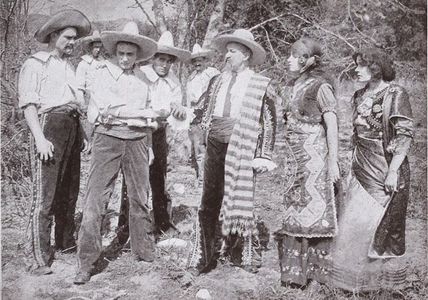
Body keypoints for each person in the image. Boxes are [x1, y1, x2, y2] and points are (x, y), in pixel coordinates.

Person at [187, 29, 277, 274]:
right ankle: (203, 258)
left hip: (243, 143)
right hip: (215, 141)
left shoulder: (259, 84)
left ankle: (239, 254)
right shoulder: (217, 81)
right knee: (209, 200)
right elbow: (202, 113)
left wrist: (263, 154)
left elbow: (268, 120)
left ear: (246, 55)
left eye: (233, 51)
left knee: (239, 198)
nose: (227, 56)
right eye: (226, 51)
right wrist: (198, 139)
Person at [74, 21, 159, 284]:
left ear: (137, 55)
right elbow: (105, 111)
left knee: (139, 197)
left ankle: (144, 253)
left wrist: (149, 139)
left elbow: (152, 116)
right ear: (114, 52)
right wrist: (137, 114)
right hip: (107, 139)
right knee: (96, 200)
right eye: (121, 53)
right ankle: (87, 261)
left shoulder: (145, 78)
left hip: (137, 141)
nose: (124, 58)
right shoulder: (101, 73)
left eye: (130, 54)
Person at [330, 48, 413, 292]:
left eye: (363, 65)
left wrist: (393, 171)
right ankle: (352, 284)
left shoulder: (395, 94)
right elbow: (355, 136)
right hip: (360, 165)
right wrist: (348, 166)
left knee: (380, 222)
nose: (357, 69)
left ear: (377, 67)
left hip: (385, 165)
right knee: (354, 221)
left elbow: (404, 135)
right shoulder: (358, 96)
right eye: (357, 64)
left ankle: (379, 287)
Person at [18, 9, 91, 276]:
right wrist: (40, 138)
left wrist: (82, 134)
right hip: (49, 127)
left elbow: (72, 104)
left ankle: (64, 242)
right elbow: (28, 104)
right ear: (53, 35)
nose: (72, 43)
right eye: (68, 37)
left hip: (71, 126)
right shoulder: (36, 64)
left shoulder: (69, 67)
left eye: (75, 39)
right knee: (45, 194)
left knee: (69, 191)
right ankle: (38, 256)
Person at [274, 38, 340, 289]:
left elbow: (331, 125)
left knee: (315, 208)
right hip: (293, 157)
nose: (289, 59)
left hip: (314, 156)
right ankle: (294, 274)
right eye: (290, 54)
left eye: (295, 55)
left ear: (308, 60)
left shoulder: (321, 87)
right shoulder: (291, 85)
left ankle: (316, 275)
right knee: (294, 208)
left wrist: (333, 161)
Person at [139, 31, 190, 236]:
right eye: (161, 59)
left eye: (169, 61)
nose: (165, 64)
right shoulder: (142, 74)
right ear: (153, 58)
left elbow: (176, 109)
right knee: (136, 178)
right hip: (140, 129)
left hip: (159, 131)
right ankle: (130, 226)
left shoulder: (173, 80)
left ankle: (161, 221)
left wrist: (178, 109)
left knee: (159, 175)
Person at [186, 43, 220, 186]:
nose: (197, 63)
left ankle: (211, 178)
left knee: (212, 146)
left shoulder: (214, 73)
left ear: (206, 60)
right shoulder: (191, 78)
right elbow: (189, 100)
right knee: (198, 147)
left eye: (200, 59)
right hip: (195, 115)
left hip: (212, 114)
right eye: (194, 60)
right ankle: (200, 177)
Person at [76, 30, 105, 107]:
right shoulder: (84, 64)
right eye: (96, 47)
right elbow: (79, 86)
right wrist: (82, 104)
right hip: (89, 99)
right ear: (91, 47)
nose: (98, 50)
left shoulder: (104, 63)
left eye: (100, 47)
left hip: (102, 99)